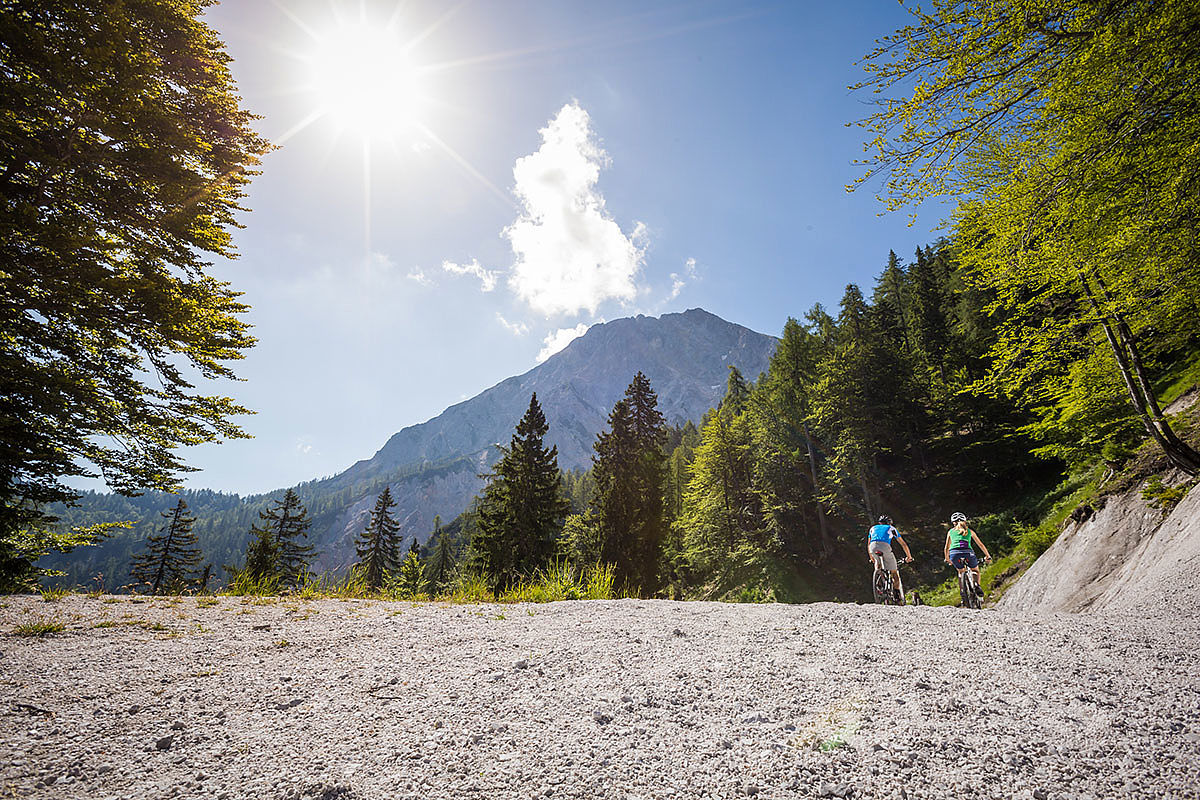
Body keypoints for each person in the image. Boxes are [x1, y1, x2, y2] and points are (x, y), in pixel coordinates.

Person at [943, 512, 993, 598]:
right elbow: (980, 544)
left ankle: (962, 592)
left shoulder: (950, 532)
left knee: (960, 571)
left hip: (954, 553)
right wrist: (988, 556)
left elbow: (946, 548)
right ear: (965, 521)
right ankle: (977, 584)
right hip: (968, 553)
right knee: (975, 570)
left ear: (953, 523)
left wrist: (947, 558)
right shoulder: (969, 531)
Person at [867, 515, 913, 603]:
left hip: (872, 547)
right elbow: (903, 544)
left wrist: (871, 557)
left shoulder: (872, 528)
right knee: (894, 573)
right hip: (885, 546)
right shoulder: (891, 528)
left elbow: (868, 544)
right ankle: (896, 595)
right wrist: (909, 557)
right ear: (889, 523)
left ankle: (878, 577)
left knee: (877, 561)